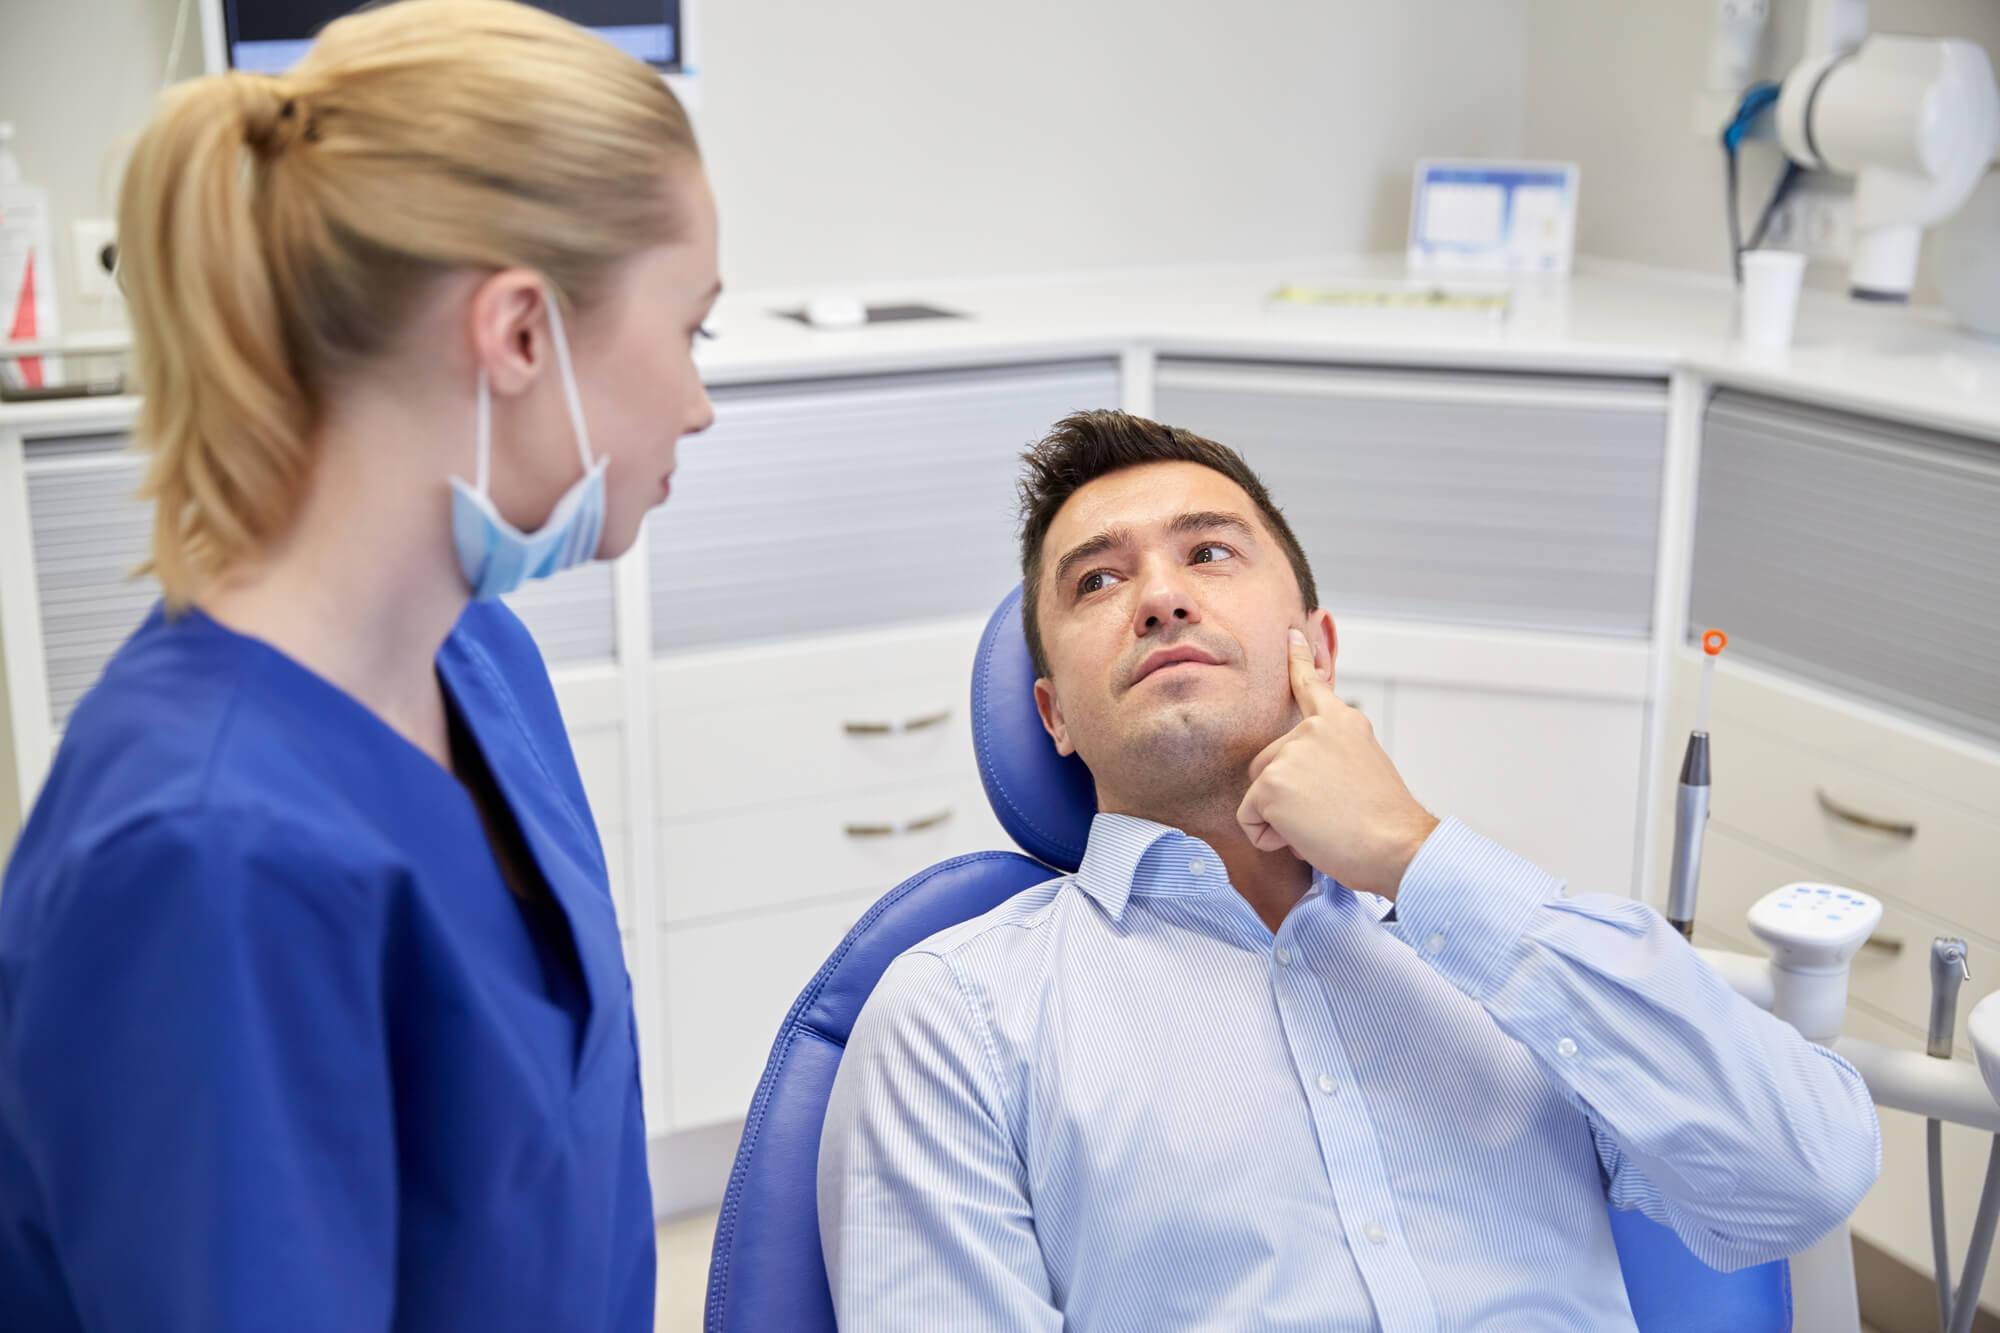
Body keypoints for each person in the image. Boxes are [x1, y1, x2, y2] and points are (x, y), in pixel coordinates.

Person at [817, 410, 1882, 1331]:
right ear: (1053, 715)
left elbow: (1804, 1176)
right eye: (1097, 579)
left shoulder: (1507, 946)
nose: (1158, 598)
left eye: (1210, 554)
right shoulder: (953, 1018)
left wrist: (1416, 858)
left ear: (1313, 652)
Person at [0, 2, 718, 1328]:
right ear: (518, 335)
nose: (697, 401)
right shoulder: (205, 853)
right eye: (693, 329)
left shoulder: (480, 665)